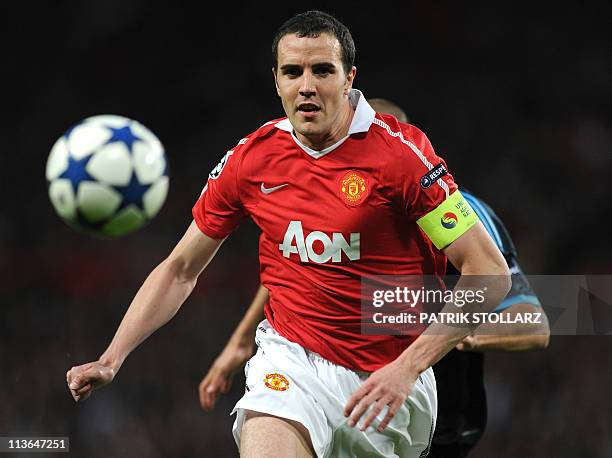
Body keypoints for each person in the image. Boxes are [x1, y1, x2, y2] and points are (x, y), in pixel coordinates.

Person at [66, 11, 511, 458]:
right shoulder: (252, 159)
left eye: (322, 70)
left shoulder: (402, 158)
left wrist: (409, 367)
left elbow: (489, 273)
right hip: (289, 362)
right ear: (277, 81)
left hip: (388, 380)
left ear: (349, 77)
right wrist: (112, 357)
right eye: (293, 72)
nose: (307, 86)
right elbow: (180, 269)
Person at [199, 100, 550, 458]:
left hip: (436, 422)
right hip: (346, 396)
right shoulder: (344, 210)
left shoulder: (464, 217)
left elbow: (534, 324)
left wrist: (463, 334)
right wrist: (241, 340)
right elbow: (294, 270)